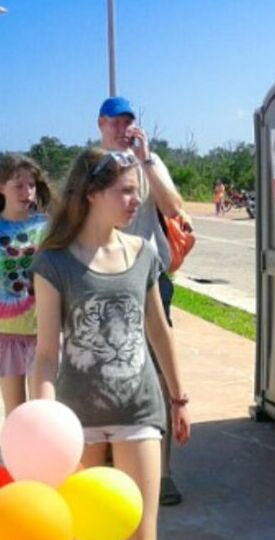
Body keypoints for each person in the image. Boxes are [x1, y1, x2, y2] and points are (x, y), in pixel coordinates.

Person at [30, 147, 191, 540]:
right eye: (125, 191)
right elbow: (45, 355)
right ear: (93, 194)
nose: (135, 201)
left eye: (137, 191)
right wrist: (44, 422)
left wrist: (179, 398)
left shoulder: (143, 252)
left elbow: (159, 333)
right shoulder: (54, 262)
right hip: (76, 420)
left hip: (139, 412)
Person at [97, 96, 187, 505]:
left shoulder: (149, 164)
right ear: (101, 124)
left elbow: (174, 208)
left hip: (148, 278)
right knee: (107, 374)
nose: (122, 129)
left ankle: (162, 472)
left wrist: (146, 159)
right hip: (100, 279)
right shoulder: (92, 166)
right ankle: (113, 464)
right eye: (115, 122)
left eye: (128, 122)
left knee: (156, 372)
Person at [0, 154, 53, 416]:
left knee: (41, 411)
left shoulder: (47, 226)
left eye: (31, 185)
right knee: (14, 412)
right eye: (18, 185)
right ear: (1, 187)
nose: (27, 191)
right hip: (5, 334)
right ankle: (13, 458)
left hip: (41, 333)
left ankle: (41, 459)